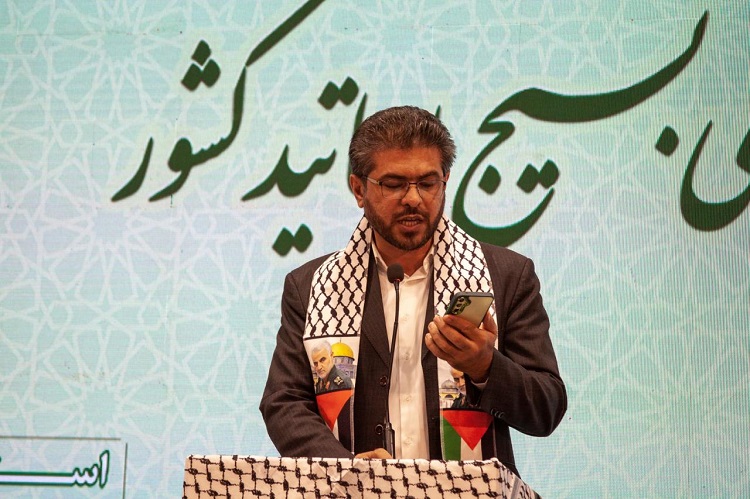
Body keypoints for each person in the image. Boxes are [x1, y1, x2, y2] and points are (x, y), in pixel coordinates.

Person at [260, 106, 566, 475]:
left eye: (428, 183)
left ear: (445, 181)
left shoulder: (507, 276)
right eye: (393, 184)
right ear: (358, 189)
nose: (414, 199)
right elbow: (284, 403)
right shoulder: (312, 286)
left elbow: (547, 408)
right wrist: (347, 469)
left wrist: (485, 367)